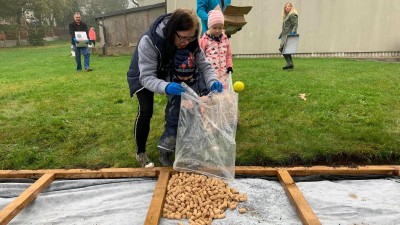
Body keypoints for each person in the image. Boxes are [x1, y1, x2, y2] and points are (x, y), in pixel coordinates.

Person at [126, 8, 223, 167]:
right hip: (143, 73)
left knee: (179, 108)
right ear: (172, 31)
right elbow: (147, 77)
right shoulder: (149, 41)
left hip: (167, 71)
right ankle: (141, 152)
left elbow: (204, 66)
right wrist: (166, 86)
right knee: (146, 110)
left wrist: (212, 82)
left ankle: (177, 143)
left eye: (191, 38)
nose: (186, 42)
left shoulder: (189, 39)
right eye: (183, 38)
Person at [199, 10, 233, 90]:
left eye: (220, 28)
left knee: (224, 91)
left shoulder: (225, 39)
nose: (217, 30)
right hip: (210, 74)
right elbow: (199, 57)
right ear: (209, 26)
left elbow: (228, 55)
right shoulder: (203, 41)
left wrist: (229, 66)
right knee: (211, 93)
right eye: (214, 28)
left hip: (223, 73)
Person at [278, 2, 298, 70]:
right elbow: (286, 27)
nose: (287, 7)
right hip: (284, 35)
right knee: (286, 50)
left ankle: (289, 63)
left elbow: (295, 25)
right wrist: (281, 34)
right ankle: (290, 64)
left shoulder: (292, 14)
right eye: (286, 7)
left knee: (282, 49)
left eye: (288, 6)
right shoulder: (286, 16)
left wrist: (293, 32)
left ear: (291, 7)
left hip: (289, 34)